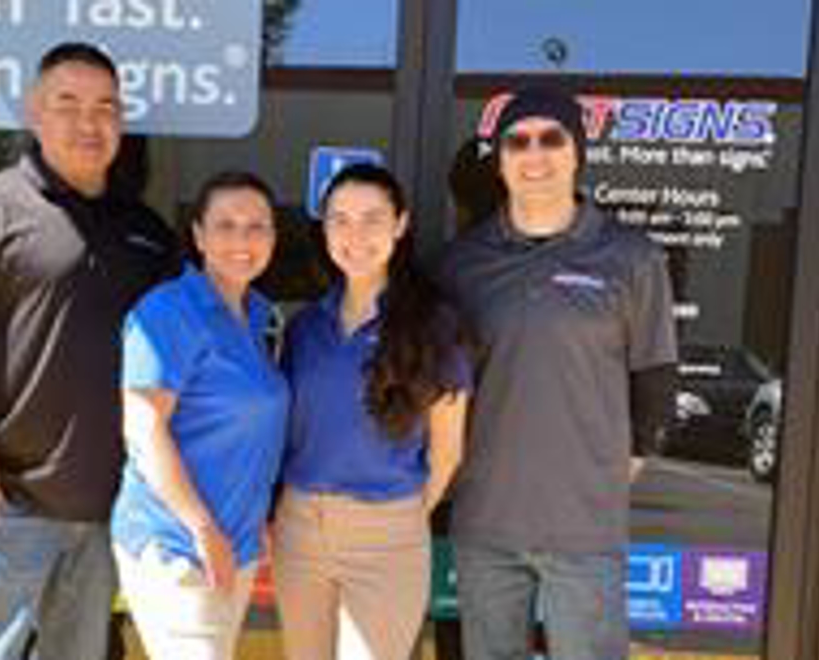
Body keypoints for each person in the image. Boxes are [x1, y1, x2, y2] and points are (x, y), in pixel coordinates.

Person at [0, 42, 178, 660]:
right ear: (34, 113)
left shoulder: (147, 233)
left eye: (105, 107)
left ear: (121, 120)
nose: (89, 122)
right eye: (68, 103)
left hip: (110, 508)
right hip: (9, 503)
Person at [439, 85, 678, 660]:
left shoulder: (631, 258)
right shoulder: (461, 264)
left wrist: (615, 469)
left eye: (552, 138)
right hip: (485, 522)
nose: (535, 154)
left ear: (577, 154)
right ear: (500, 162)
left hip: (584, 529)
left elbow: (655, 378)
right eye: (518, 141)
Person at [274, 163, 472, 660]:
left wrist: (397, 516)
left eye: (371, 219)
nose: (354, 234)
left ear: (400, 225)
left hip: (388, 534)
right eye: (339, 219)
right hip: (300, 529)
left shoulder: (436, 324)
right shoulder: (304, 326)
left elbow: (447, 453)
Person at [109, 171, 289, 659]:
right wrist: (201, 529)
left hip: (235, 546)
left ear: (273, 237)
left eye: (257, 227)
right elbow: (144, 428)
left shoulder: (261, 317)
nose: (242, 240)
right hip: (178, 546)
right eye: (226, 225)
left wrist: (256, 522)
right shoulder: (169, 311)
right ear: (198, 236)